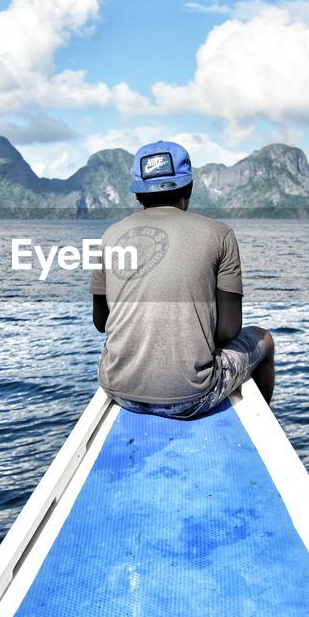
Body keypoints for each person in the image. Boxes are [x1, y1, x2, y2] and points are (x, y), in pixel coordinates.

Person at [90, 140, 275, 419]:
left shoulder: (109, 236)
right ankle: (265, 421)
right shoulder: (220, 235)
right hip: (193, 398)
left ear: (138, 195)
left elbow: (101, 323)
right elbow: (228, 332)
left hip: (118, 390)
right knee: (265, 339)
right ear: (189, 188)